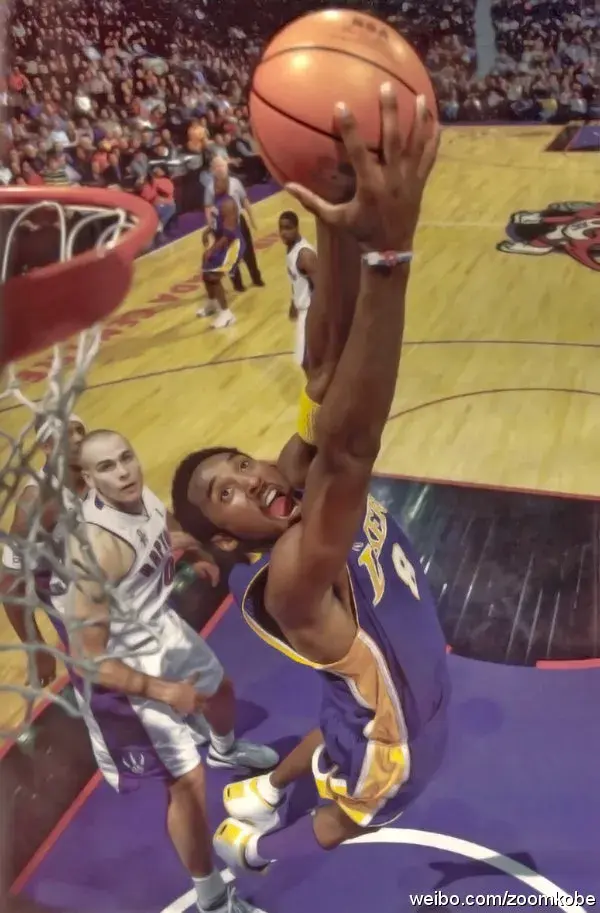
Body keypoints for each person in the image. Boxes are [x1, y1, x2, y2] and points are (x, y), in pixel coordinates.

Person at [170, 87, 447, 879]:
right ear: (229, 538)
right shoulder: (292, 575)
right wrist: (389, 256)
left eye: (240, 464)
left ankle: (261, 788)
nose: (249, 478)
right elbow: (352, 447)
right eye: (226, 494)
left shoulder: (285, 488)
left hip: (365, 676)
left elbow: (323, 369)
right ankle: (250, 848)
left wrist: (333, 210)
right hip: (392, 730)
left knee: (336, 710)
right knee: (344, 811)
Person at [65, 430, 277, 913]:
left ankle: (226, 749)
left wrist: (196, 553)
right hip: (122, 669)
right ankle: (213, 899)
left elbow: (163, 526)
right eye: (107, 467)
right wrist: (163, 691)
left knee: (221, 690)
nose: (124, 472)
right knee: (186, 783)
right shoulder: (95, 551)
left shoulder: (140, 497)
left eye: (126, 458)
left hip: (159, 627)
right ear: (88, 480)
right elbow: (86, 657)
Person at [0, 414, 87, 687]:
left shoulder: (100, 471)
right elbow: (9, 582)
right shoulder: (36, 502)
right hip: (79, 620)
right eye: (67, 434)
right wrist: (36, 648)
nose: (77, 439)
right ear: (46, 447)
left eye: (80, 431)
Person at [203, 158, 264, 292]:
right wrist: (211, 226)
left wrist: (252, 218)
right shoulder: (210, 188)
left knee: (248, 252)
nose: (221, 168)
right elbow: (208, 207)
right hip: (222, 225)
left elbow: (244, 200)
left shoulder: (235, 182)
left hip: (239, 221)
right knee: (231, 255)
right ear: (213, 169)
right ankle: (238, 284)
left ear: (227, 167)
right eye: (218, 166)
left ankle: (256, 278)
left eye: (223, 165)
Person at [196, 167, 245, 329]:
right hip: (222, 241)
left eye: (219, 183)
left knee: (213, 276)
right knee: (206, 272)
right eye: (214, 183)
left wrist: (212, 249)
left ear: (226, 185)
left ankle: (227, 315)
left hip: (232, 245)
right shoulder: (217, 201)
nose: (215, 186)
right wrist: (208, 231)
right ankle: (212, 304)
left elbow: (229, 233)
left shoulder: (228, 204)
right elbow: (218, 223)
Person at [278, 210, 318, 369]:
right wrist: (293, 302)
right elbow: (298, 280)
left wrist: (318, 316)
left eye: (288, 228)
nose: (283, 232)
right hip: (303, 310)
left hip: (311, 312)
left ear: (297, 228)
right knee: (306, 361)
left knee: (307, 360)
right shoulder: (291, 249)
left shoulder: (305, 255)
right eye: (281, 228)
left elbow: (321, 286)